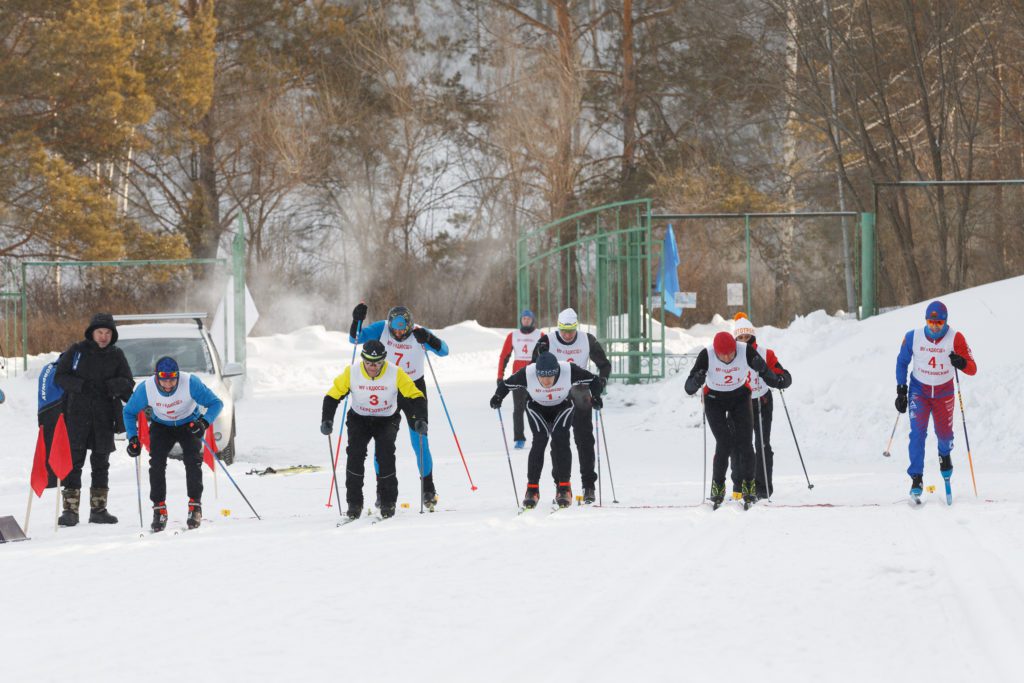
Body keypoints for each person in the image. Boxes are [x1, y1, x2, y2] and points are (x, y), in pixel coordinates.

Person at [350, 304, 448, 509]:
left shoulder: (419, 331)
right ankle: (381, 491)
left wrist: (429, 339)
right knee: (382, 441)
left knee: (419, 439)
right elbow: (355, 339)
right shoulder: (381, 328)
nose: (399, 333)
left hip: (413, 388)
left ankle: (428, 488)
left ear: (410, 325)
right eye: (395, 330)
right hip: (388, 389)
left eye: (403, 330)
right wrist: (356, 320)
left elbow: (444, 351)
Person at [321, 339, 427, 519]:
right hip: (359, 419)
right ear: (363, 359)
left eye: (377, 363)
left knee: (385, 455)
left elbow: (416, 395)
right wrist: (327, 419)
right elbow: (332, 396)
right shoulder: (352, 372)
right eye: (368, 363)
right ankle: (354, 503)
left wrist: (421, 419)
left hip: (386, 419)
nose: (372, 367)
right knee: (355, 455)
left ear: (383, 361)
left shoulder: (395, 372)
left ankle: (388, 501)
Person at [684, 331, 786, 509]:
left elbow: (768, 375)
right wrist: (697, 380)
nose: (727, 358)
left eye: (731, 354)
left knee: (745, 443)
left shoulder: (744, 350)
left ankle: (749, 486)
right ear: (715, 351)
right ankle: (718, 487)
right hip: (714, 399)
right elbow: (688, 388)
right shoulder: (706, 355)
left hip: (740, 397)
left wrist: (765, 370)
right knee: (724, 442)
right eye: (722, 355)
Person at [491, 352, 603, 509]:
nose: (546, 380)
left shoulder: (568, 370)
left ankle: (564, 488)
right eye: (542, 376)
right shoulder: (528, 372)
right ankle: (532, 489)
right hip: (537, 408)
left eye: (550, 376)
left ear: (557, 371)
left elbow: (594, 380)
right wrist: (497, 397)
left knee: (560, 439)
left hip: (562, 405)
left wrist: (596, 396)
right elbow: (505, 385)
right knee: (540, 440)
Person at [123, 356, 224, 531]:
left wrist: (204, 423)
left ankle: (195, 507)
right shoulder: (146, 388)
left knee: (193, 461)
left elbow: (216, 403)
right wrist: (132, 438)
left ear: (178, 376)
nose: (168, 385)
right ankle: (159, 509)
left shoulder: (190, 382)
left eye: (172, 380)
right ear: (157, 377)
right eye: (164, 381)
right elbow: (129, 412)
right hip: (162, 425)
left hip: (189, 423)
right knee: (156, 464)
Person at [54, 313, 135, 526]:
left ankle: (98, 509)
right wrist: (81, 386)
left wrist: (111, 387)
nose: (103, 336)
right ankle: (70, 510)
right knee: (73, 463)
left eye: (108, 333)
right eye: (100, 332)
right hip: (76, 415)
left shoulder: (117, 355)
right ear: (92, 332)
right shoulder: (76, 351)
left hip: (104, 416)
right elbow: (60, 377)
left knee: (101, 463)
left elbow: (128, 382)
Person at [894, 300, 976, 499]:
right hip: (919, 391)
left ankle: (944, 455)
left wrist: (961, 362)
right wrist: (901, 390)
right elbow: (902, 362)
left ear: (946, 322)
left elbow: (972, 368)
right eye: (930, 323)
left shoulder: (955, 338)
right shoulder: (913, 337)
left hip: (943, 393)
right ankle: (916, 477)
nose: (934, 327)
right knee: (917, 434)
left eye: (939, 323)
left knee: (945, 435)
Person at [533, 308, 611, 504]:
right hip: (557, 395)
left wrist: (600, 384)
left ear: (577, 327)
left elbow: (605, 365)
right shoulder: (547, 341)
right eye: (564, 331)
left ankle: (588, 486)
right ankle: (561, 485)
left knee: (584, 440)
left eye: (571, 331)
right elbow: (534, 367)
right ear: (558, 328)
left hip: (580, 391)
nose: (567, 335)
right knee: (558, 441)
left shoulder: (587, 340)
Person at [730, 314, 792, 499]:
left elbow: (784, 376)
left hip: (761, 402)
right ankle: (740, 486)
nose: (743, 341)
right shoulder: (730, 354)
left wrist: (772, 375)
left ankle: (763, 487)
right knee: (739, 445)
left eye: (747, 337)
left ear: (752, 336)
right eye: (739, 338)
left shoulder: (765, 353)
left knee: (762, 444)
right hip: (737, 403)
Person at [497, 309, 543, 450]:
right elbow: (504, 356)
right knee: (518, 409)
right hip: (518, 376)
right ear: (521, 320)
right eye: (524, 319)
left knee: (537, 407)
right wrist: (500, 376)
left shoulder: (540, 335)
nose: (526, 321)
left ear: (533, 320)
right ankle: (519, 438)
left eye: (528, 319)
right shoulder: (513, 336)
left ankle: (541, 435)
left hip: (535, 376)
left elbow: (548, 355)